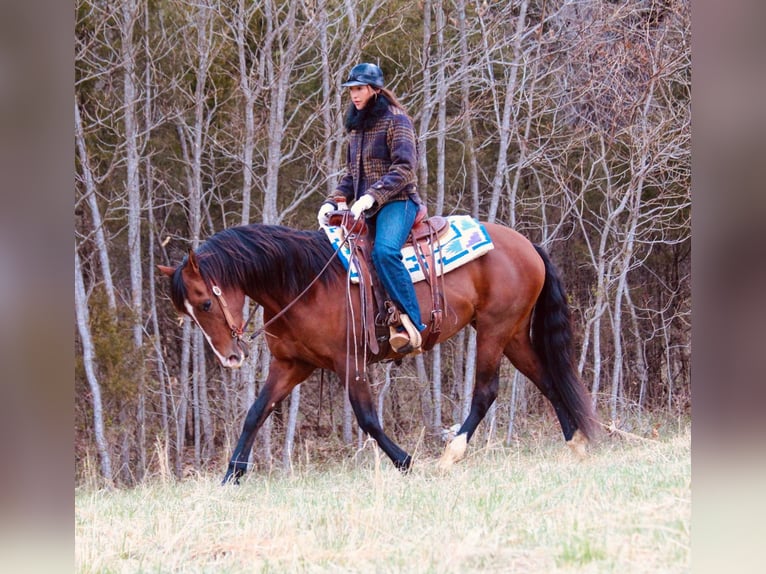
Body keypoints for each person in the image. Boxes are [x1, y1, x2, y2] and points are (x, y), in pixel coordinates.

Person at [317, 62, 426, 353]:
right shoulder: (357, 128)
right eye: (351, 89)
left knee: (384, 252)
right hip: (368, 207)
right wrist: (334, 200)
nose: (354, 95)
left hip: (399, 202)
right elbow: (351, 175)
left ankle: (413, 324)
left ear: (375, 89)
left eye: (359, 89)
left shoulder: (397, 120)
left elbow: (405, 168)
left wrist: (371, 196)